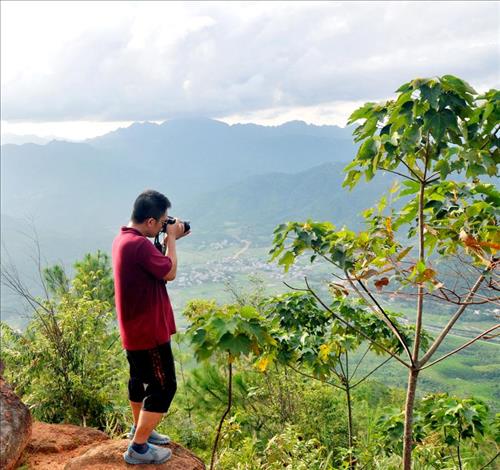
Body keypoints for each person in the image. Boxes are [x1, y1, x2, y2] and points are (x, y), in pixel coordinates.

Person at [112, 189, 189, 465]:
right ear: (151, 222)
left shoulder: (124, 239)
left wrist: (165, 237)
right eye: (163, 221)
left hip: (134, 329)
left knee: (140, 380)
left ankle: (140, 428)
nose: (166, 224)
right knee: (164, 386)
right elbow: (169, 272)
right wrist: (171, 239)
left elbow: (156, 272)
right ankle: (139, 448)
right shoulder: (139, 245)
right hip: (148, 332)